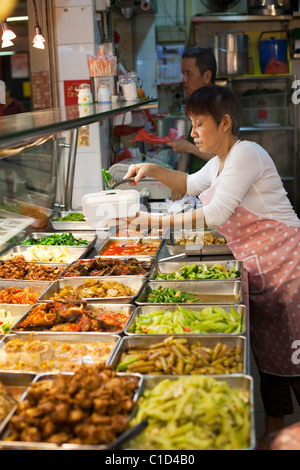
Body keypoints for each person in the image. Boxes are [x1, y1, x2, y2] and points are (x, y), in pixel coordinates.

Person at [123, 84, 300, 449]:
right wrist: (153, 169)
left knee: (298, 361)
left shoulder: (245, 153)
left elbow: (216, 212)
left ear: (224, 123)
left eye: (199, 123)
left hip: (290, 268)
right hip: (261, 272)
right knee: (270, 363)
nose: (192, 132)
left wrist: (151, 221)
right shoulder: (220, 162)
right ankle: (273, 434)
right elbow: (188, 184)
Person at [166, 47, 217, 201]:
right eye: (183, 74)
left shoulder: (218, 106)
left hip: (214, 191)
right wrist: (180, 181)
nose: (184, 79)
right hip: (198, 190)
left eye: (189, 73)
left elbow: (223, 159)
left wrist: (188, 147)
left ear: (206, 76)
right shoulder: (198, 104)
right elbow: (189, 148)